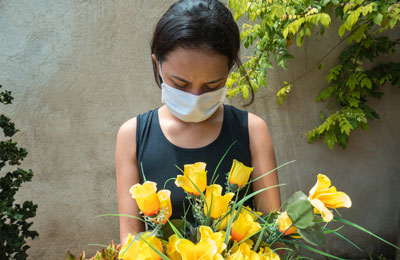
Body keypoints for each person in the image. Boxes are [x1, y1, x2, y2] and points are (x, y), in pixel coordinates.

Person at [116, 0, 280, 245]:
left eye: (212, 86)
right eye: (180, 84)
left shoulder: (252, 131)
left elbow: (273, 237)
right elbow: (131, 242)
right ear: (157, 64)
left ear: (228, 72)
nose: (194, 98)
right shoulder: (133, 136)